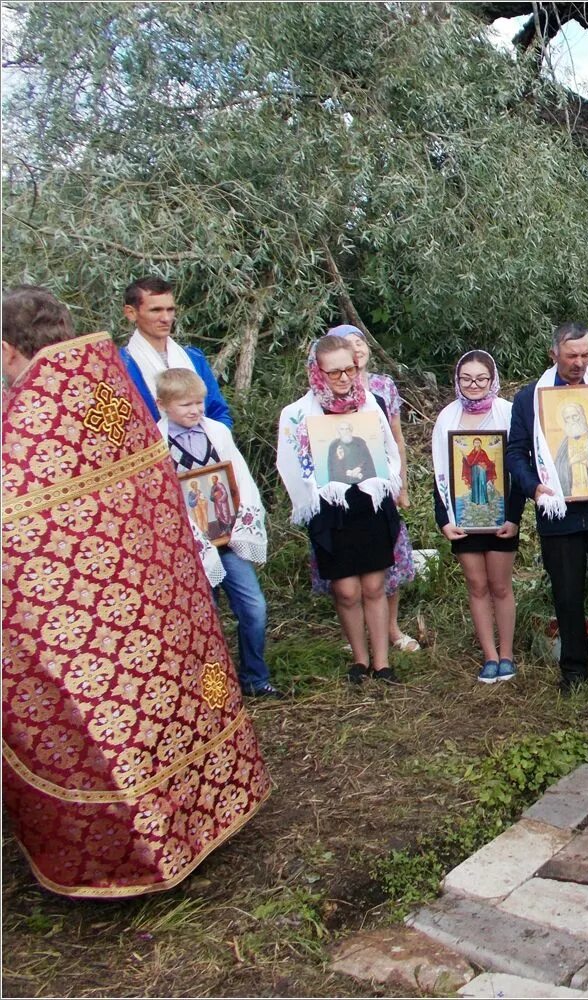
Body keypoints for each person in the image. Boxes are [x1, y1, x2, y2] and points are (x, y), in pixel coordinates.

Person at [2, 285, 270, 896]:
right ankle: (208, 811)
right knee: (176, 700)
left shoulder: (27, 429)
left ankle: (138, 855)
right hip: (163, 604)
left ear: (7, 349)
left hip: (85, 629)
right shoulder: (112, 393)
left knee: (112, 729)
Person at [507, 322, 588, 695]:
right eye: (571, 356)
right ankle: (574, 671)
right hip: (558, 515)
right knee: (566, 592)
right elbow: (516, 452)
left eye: (585, 355)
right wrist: (535, 488)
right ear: (554, 354)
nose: (579, 363)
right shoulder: (529, 399)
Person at [277, 333, 405, 685]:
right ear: (317, 372)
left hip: (370, 503)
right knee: (346, 590)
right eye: (334, 373)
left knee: (374, 586)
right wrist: (319, 484)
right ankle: (359, 660)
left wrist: (382, 480)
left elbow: (388, 451)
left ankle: (382, 662)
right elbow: (289, 462)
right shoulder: (298, 414)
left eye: (349, 369)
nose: (344, 378)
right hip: (330, 509)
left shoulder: (369, 404)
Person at [156, 367, 284, 699]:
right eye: (185, 405)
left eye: (199, 403)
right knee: (205, 617)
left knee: (253, 607)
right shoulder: (156, 443)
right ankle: (213, 687)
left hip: (227, 536)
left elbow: (239, 476)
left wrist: (241, 520)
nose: (195, 410)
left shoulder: (216, 432)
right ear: (163, 404)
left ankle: (254, 676)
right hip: (190, 546)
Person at [320, 325, 422, 653]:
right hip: (337, 503)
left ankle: (389, 632)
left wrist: (399, 485)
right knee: (349, 581)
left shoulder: (379, 391)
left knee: (383, 573)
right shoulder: (313, 404)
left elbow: (393, 441)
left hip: (376, 496)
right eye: (347, 345)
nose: (357, 349)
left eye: (360, 342)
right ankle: (358, 642)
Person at [433, 350, 526, 684]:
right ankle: (488, 656)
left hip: (502, 516)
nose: (473, 385)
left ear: (492, 379)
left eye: (480, 379)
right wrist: (443, 519)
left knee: (500, 585)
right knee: (476, 584)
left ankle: (507, 654)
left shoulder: (508, 414)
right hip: (463, 516)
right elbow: (441, 472)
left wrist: (514, 516)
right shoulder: (447, 418)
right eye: (466, 378)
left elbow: (517, 468)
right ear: (457, 380)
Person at [119, 274, 234, 426]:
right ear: (131, 313)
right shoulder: (120, 365)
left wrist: (215, 443)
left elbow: (218, 412)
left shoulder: (194, 357)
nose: (166, 318)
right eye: (156, 310)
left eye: (170, 309)